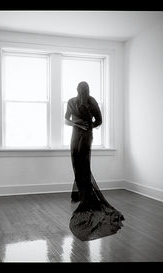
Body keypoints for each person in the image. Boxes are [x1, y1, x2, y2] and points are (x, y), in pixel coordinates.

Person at [65, 81, 124, 241]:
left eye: (83, 90)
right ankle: (78, 194)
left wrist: (89, 126)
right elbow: (66, 120)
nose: (82, 91)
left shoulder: (92, 101)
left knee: (83, 164)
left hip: (86, 136)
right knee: (77, 164)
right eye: (81, 89)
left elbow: (99, 120)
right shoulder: (71, 101)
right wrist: (79, 123)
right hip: (76, 134)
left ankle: (86, 196)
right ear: (78, 90)